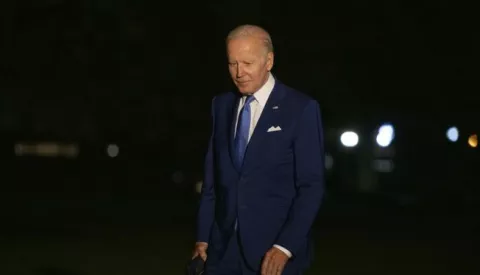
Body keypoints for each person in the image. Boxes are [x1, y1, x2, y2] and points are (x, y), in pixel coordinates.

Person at [192, 24, 325, 275]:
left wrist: (285, 247)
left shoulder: (301, 108)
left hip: (273, 256)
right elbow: (213, 182)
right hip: (221, 254)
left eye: (247, 63)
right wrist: (203, 237)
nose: (239, 72)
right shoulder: (221, 105)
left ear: (269, 61)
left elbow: (311, 186)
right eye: (232, 64)